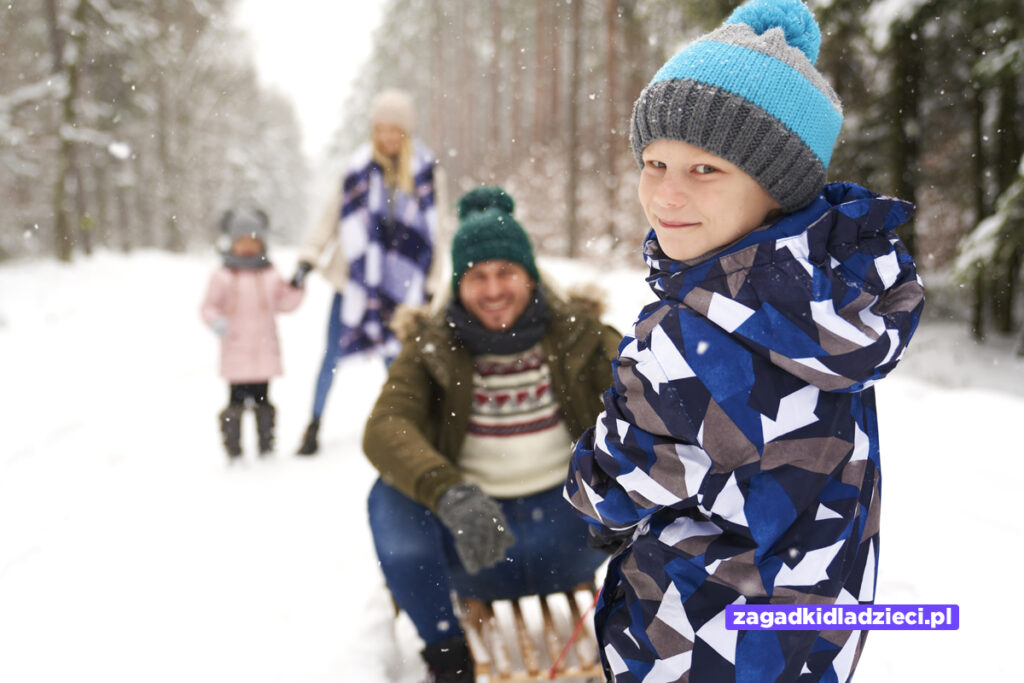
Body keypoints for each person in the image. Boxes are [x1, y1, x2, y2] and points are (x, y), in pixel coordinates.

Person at [563, 1, 927, 681]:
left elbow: (612, 484)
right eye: (654, 161)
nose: (666, 193)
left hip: (695, 645)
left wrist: (588, 490)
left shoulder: (685, 337)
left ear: (778, 184)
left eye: (706, 169)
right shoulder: (837, 300)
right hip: (815, 637)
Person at [363, 186, 621, 683]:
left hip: (572, 535)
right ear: (458, 285)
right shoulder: (431, 347)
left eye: (507, 272)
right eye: (477, 276)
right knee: (389, 497)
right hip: (476, 544)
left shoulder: (579, 335)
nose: (494, 289)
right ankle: (447, 654)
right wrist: (450, 493)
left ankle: (646, 622)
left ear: (531, 276)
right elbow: (384, 428)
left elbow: (648, 404)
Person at [291, 89, 441, 455]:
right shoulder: (356, 168)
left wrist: (433, 283)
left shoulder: (425, 171)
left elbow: (438, 229)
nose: (387, 137)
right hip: (355, 281)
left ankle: (409, 426)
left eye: (395, 130)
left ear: (406, 133)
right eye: (381, 129)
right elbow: (331, 216)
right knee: (330, 355)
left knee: (398, 360)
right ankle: (313, 425)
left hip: (401, 285)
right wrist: (309, 257)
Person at [200, 206, 305, 461]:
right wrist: (215, 321)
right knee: (235, 403)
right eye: (241, 241)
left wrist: (297, 285)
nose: (247, 247)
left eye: (253, 241)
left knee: (263, 401)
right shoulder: (223, 276)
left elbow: (285, 304)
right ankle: (233, 448)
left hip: (263, 351)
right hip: (235, 351)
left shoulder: (270, 274)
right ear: (232, 243)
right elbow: (208, 306)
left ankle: (266, 445)